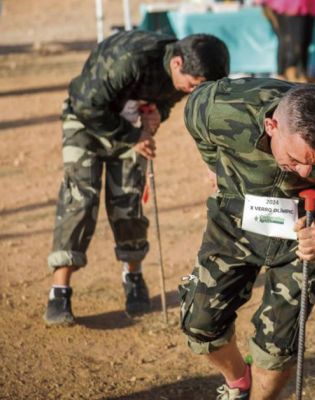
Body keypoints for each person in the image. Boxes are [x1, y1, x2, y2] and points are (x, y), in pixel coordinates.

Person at [180, 77, 315, 400]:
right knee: (200, 322)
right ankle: (238, 383)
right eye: (295, 158)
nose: (304, 173)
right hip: (236, 219)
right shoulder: (222, 106)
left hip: (304, 234)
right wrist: (215, 166)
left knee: (277, 346)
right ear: (271, 125)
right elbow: (193, 113)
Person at [44, 30, 230, 327]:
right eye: (193, 86)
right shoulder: (130, 60)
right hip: (86, 122)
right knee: (80, 198)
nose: (194, 93)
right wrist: (133, 136)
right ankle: (60, 291)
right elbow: (86, 106)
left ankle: (133, 276)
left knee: (128, 200)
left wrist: (157, 114)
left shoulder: (191, 73)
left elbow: (165, 100)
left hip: (130, 126)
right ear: (177, 64)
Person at [260, 0, 315, 82]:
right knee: (292, 42)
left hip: (308, 5)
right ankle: (286, 73)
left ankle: (302, 73)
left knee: (305, 42)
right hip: (287, 6)